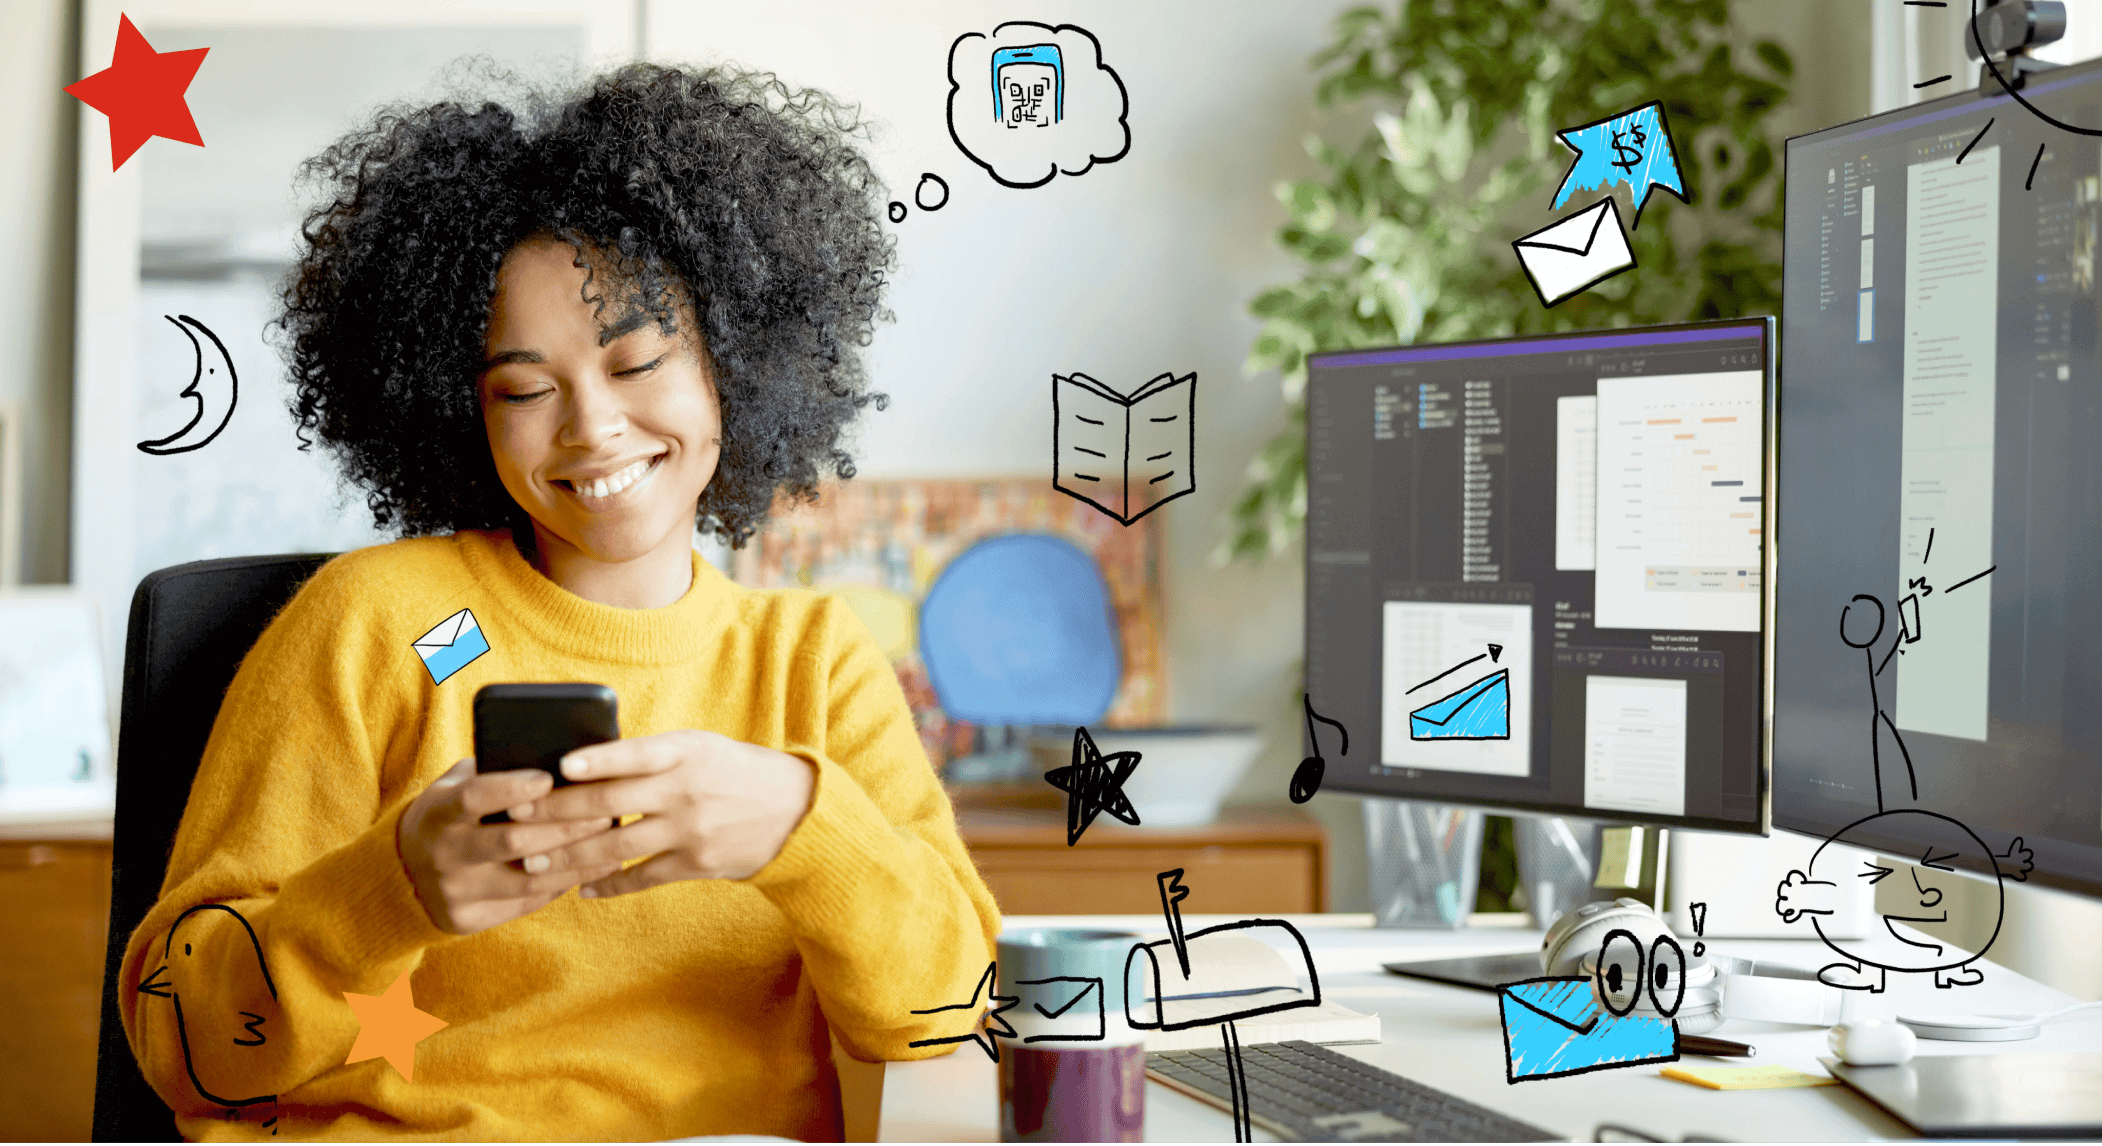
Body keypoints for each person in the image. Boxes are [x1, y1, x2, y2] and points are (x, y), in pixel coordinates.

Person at [117, 63, 1000, 1141]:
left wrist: (801, 832)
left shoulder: (808, 660)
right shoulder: (375, 624)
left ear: (735, 360)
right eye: (526, 391)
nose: (590, 429)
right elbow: (183, 1048)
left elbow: (950, 1016)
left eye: (636, 363)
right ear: (457, 408)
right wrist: (388, 891)